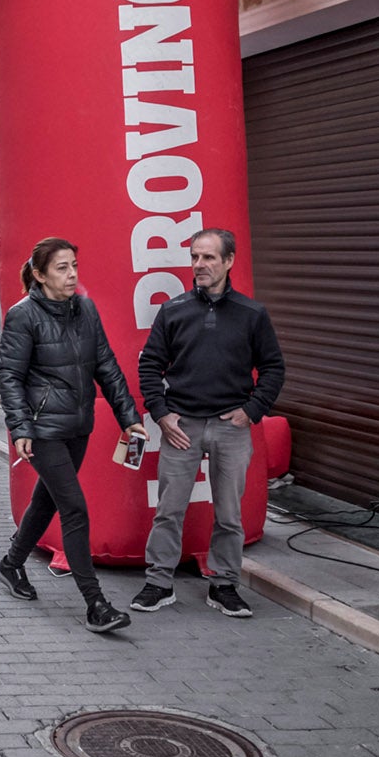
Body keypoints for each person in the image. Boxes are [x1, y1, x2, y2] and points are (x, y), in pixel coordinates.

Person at [132, 227, 285, 620]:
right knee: (169, 509)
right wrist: (162, 414)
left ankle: (225, 585)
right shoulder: (174, 310)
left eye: (208, 258)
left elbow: (272, 368)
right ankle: (159, 582)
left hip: (230, 427)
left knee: (230, 513)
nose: (199, 265)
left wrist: (251, 411)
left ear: (229, 261)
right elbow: (149, 364)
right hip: (181, 427)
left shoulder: (252, 314)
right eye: (195, 257)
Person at [0, 239, 145, 633]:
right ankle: (96, 604)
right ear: (41, 275)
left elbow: (106, 365)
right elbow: (9, 376)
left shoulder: (86, 309)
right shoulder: (23, 316)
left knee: (47, 499)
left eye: (74, 265)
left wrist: (128, 416)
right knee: (74, 508)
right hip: (43, 428)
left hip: (77, 425)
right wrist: (20, 427)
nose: (72, 274)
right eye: (62, 268)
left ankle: (11, 564)